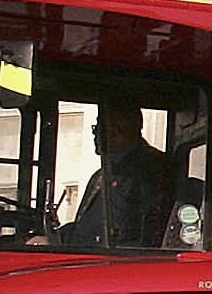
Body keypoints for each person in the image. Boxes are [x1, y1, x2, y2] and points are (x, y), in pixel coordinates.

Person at [63, 103, 174, 248]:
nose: (95, 134)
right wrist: (57, 237)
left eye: (99, 128)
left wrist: (58, 241)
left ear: (119, 133)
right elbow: (87, 226)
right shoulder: (105, 173)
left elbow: (130, 235)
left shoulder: (151, 170)